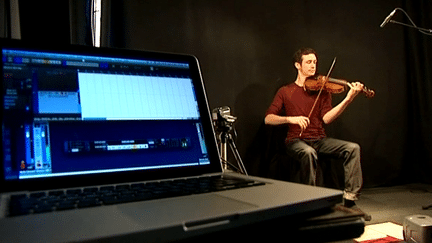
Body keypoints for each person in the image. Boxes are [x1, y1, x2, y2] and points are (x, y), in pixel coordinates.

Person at [264, 48, 371, 220]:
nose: (313, 65)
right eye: (308, 62)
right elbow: (268, 119)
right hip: (295, 140)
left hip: (319, 139)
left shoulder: (323, 89)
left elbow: (327, 119)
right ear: (297, 65)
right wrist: (291, 119)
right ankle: (310, 202)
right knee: (308, 152)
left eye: (315, 62)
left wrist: (348, 99)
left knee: (353, 148)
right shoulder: (285, 91)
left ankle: (350, 200)